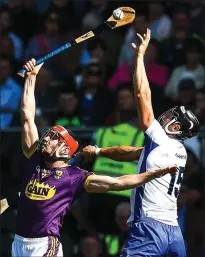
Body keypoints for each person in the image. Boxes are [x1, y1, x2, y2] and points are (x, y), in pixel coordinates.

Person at [10, 58, 177, 257]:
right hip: (18, 242)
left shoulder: (74, 177)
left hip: (44, 246)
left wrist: (156, 173)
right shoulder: (33, 156)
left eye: (54, 138)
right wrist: (31, 78)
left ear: (65, 150)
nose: (46, 139)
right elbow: (27, 116)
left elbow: (118, 182)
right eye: (49, 135)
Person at [82, 29, 200, 257]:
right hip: (173, 232)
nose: (166, 116)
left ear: (176, 127)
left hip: (149, 227)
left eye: (172, 117)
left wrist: (138, 58)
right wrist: (100, 151)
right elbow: (133, 153)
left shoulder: (160, 136)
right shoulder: (177, 150)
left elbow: (142, 96)